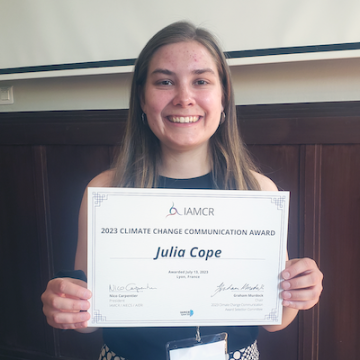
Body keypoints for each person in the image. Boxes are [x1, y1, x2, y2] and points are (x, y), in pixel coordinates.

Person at [41, 21, 323, 360]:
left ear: (223, 99)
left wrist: (299, 291)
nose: (184, 98)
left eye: (201, 81)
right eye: (164, 82)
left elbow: (274, 320)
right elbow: (89, 318)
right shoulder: (105, 191)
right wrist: (66, 303)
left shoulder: (257, 191)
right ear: (142, 100)